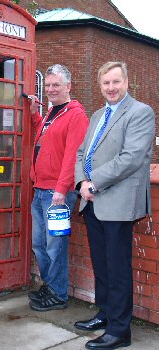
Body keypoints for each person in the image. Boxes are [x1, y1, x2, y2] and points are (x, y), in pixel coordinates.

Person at [74, 62, 155, 349]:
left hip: (119, 201)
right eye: (106, 83)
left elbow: (131, 158)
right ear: (100, 85)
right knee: (101, 264)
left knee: (117, 266)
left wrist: (93, 183)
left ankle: (120, 330)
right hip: (92, 200)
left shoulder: (140, 112)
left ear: (126, 82)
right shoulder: (97, 114)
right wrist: (82, 183)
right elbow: (83, 151)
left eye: (116, 82)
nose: (111, 87)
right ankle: (106, 314)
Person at [26, 64, 89, 311]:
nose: (51, 89)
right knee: (39, 244)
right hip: (40, 189)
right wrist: (34, 116)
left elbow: (73, 157)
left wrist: (62, 190)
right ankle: (49, 285)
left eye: (56, 85)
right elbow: (47, 138)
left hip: (57, 193)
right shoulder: (53, 113)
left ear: (68, 87)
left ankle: (58, 293)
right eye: (49, 85)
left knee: (55, 246)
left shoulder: (76, 115)